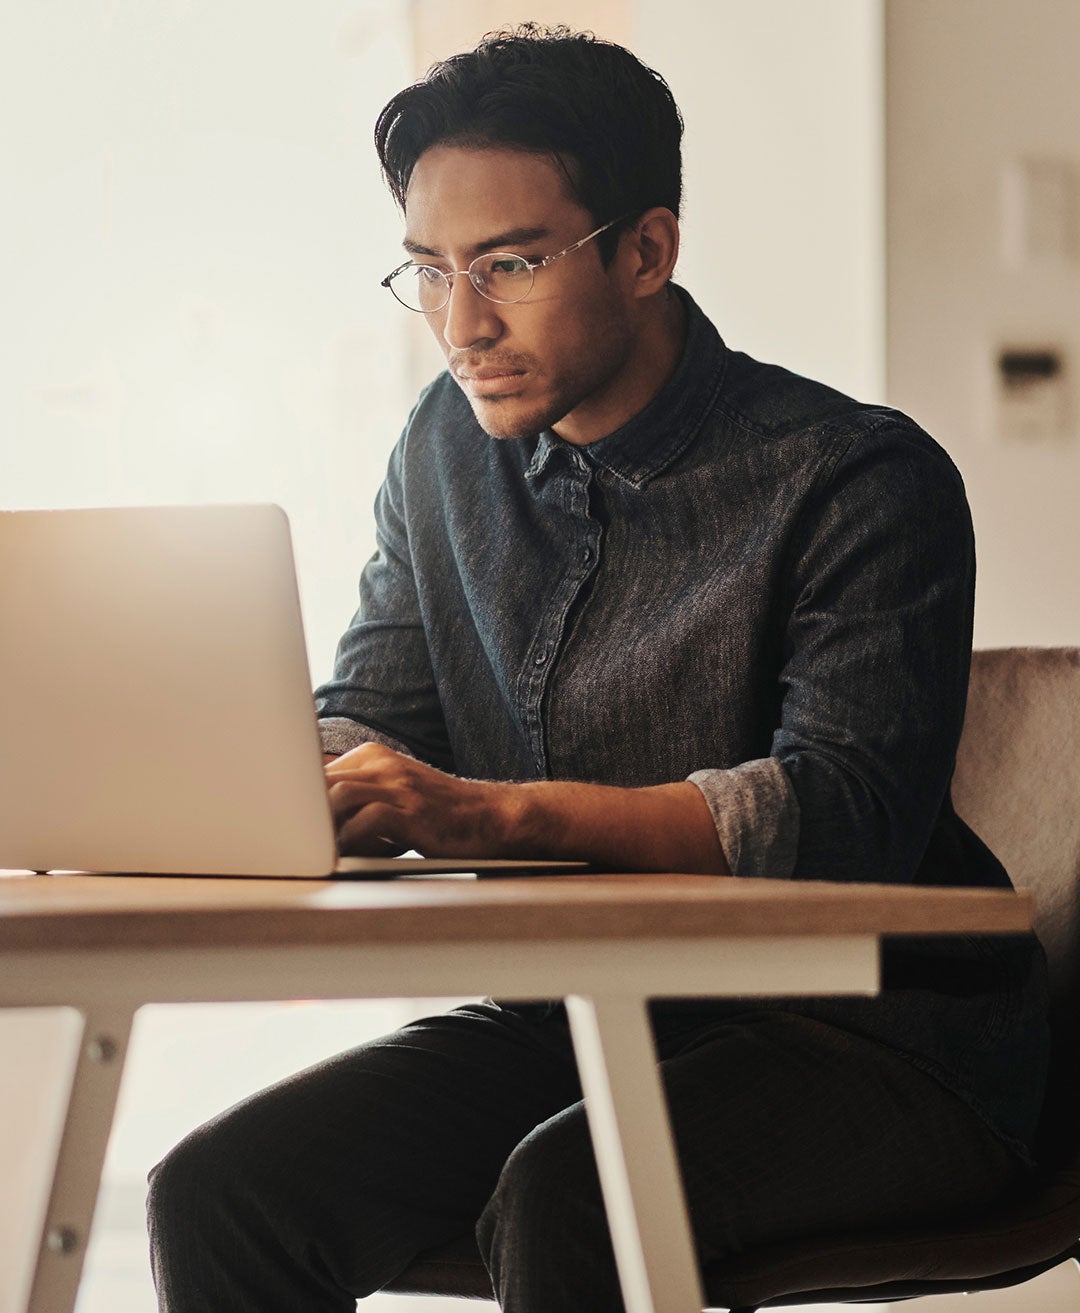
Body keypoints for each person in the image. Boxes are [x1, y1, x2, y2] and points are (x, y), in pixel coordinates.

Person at [147, 24, 1050, 1313]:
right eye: (429, 270)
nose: (461, 323)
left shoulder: (856, 477)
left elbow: (841, 818)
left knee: (576, 1192)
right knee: (223, 1192)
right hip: (580, 1018)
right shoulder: (444, 454)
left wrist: (492, 814)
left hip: (882, 1041)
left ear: (646, 251)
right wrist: (244, 766)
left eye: (509, 264)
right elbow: (377, 715)